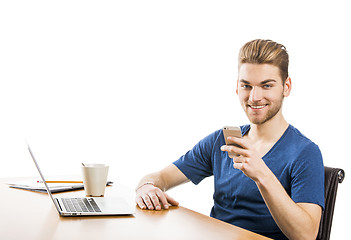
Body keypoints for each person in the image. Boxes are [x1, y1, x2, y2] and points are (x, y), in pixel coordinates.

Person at [135, 39, 324, 240]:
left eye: (266, 86)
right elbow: (161, 178)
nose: (254, 97)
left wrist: (262, 175)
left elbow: (306, 235)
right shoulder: (221, 141)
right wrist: (146, 186)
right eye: (247, 86)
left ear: (286, 87)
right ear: (237, 87)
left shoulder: (305, 153)